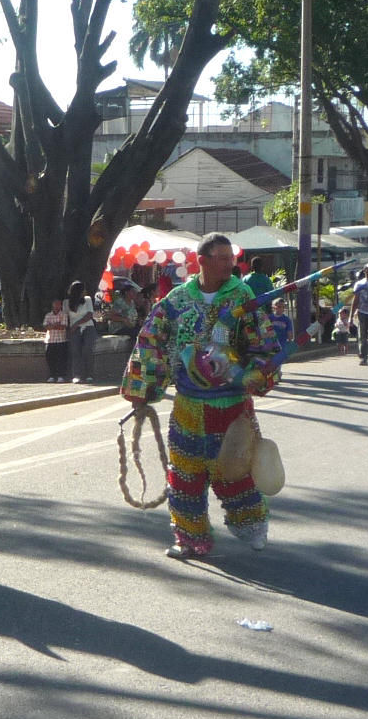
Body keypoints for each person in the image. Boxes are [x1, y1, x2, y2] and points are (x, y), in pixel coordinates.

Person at [121, 233, 281, 560]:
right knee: (184, 477)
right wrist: (142, 390)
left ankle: (252, 524)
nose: (230, 264)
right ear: (202, 261)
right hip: (188, 407)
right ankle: (189, 538)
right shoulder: (177, 300)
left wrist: (257, 373)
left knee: (234, 474)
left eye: (231, 258)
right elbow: (150, 339)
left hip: (232, 407)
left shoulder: (243, 298)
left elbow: (264, 344)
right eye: (222, 258)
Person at [65, 281, 99, 382]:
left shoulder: (87, 300)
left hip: (88, 327)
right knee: (75, 351)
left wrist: (76, 324)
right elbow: (65, 316)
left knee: (87, 349)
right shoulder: (66, 303)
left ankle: (89, 374)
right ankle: (77, 375)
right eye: (83, 289)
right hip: (74, 330)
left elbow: (89, 315)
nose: (85, 291)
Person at [42, 294, 70, 382]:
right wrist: (56, 325)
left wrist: (52, 325)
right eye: (55, 304)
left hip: (61, 340)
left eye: (59, 304)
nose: (57, 306)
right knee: (50, 358)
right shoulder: (48, 315)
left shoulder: (63, 315)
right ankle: (52, 375)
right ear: (52, 305)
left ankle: (61, 375)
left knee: (61, 358)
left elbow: (63, 326)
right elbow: (46, 326)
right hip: (50, 340)